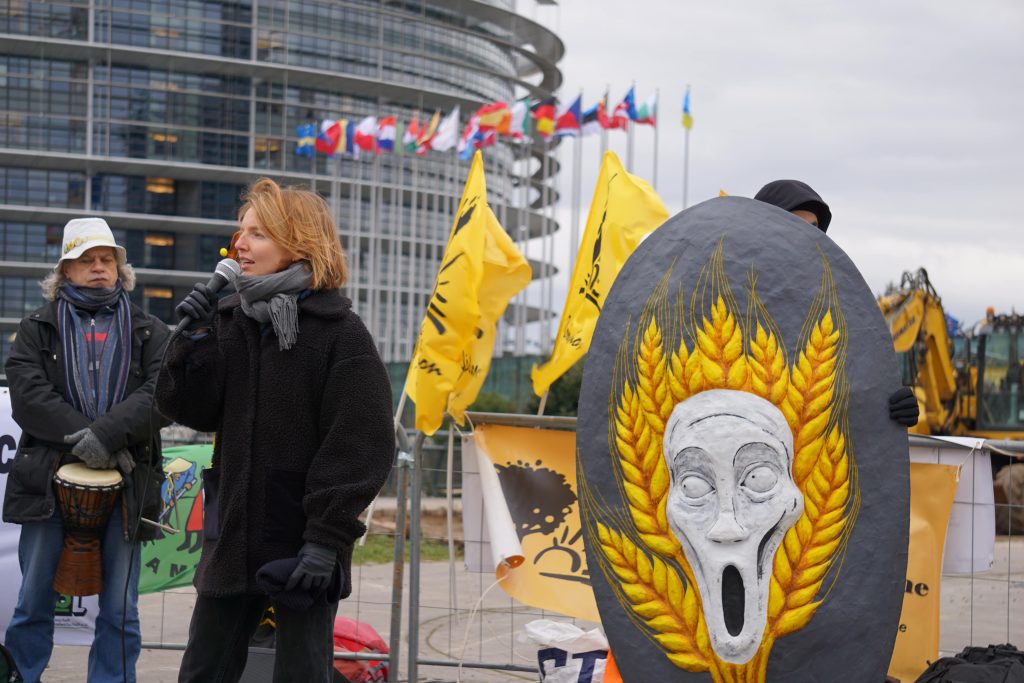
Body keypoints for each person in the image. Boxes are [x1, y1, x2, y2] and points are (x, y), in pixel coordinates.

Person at [156, 178, 394, 683]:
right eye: (240, 232)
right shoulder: (227, 317)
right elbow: (190, 408)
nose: (239, 244)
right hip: (234, 530)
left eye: (257, 234)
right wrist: (192, 342)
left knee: (301, 673)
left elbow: (361, 443)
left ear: (298, 243)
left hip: (303, 537)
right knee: (203, 669)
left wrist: (325, 539)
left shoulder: (339, 332)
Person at [3, 217, 169, 683]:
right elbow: (29, 395)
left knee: (121, 610)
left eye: (106, 259)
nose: (98, 268)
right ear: (65, 272)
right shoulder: (36, 328)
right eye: (86, 260)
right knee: (32, 601)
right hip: (46, 485)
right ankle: (21, 676)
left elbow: (163, 392)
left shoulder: (150, 330)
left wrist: (107, 437)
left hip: (129, 484)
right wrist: (92, 440)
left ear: (119, 268)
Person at [754, 179, 919, 427]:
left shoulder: (836, 312)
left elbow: (850, 394)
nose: (806, 238)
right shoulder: (723, 306)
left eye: (813, 230)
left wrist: (888, 409)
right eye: (793, 226)